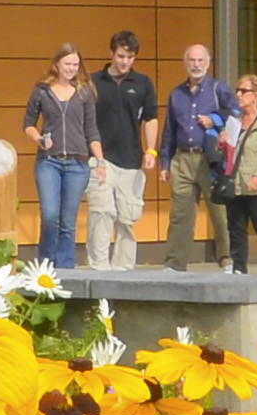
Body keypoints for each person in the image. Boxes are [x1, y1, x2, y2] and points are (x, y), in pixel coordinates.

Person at [164, 40, 257, 264]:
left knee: (220, 212)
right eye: (192, 60)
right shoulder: (176, 93)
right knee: (180, 215)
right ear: (185, 63)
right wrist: (165, 162)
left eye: (200, 60)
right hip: (182, 158)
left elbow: (237, 112)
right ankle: (174, 264)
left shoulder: (219, 89)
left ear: (208, 63)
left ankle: (228, 260)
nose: (196, 65)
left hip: (211, 159)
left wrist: (214, 120)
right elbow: (169, 129)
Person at [85, 30, 161, 268]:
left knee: (127, 218)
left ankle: (123, 271)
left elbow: (151, 118)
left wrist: (151, 150)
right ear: (111, 54)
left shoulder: (143, 83)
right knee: (102, 212)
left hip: (131, 159)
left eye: (129, 57)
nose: (124, 61)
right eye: (120, 56)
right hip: (100, 159)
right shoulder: (93, 82)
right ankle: (99, 269)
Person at [17, 41, 97, 268]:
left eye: (75, 64)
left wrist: (100, 160)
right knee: (50, 214)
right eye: (67, 63)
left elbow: (91, 129)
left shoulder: (84, 93)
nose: (72, 68)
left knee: (68, 222)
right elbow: (29, 124)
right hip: (49, 161)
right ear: (57, 64)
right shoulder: (41, 91)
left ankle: (66, 269)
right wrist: (39, 139)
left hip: (77, 163)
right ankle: (45, 265)